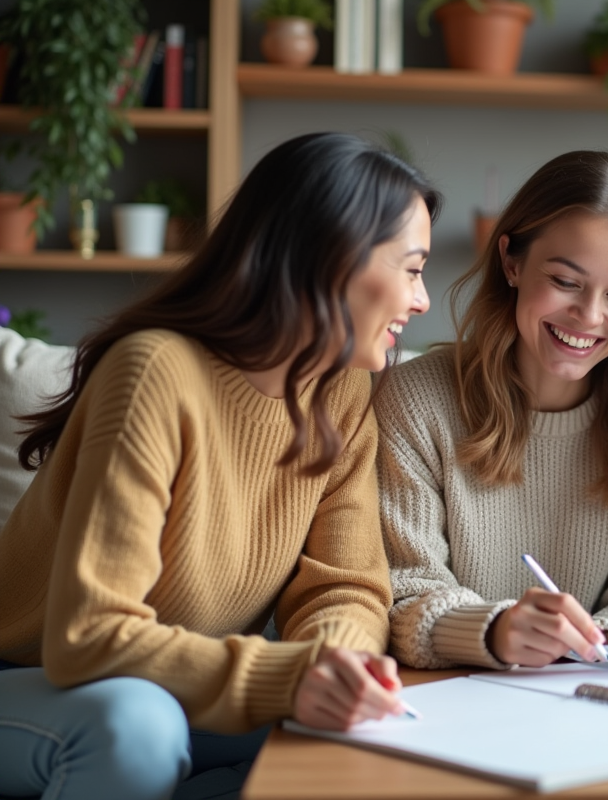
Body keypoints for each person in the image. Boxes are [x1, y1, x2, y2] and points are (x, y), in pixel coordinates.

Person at [0, 132, 440, 800]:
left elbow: (342, 586)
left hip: (175, 688)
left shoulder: (344, 392)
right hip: (36, 681)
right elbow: (88, 637)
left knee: (382, 733)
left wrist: (338, 668)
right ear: (332, 261)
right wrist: (290, 678)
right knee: (135, 728)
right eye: (411, 269)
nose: (422, 300)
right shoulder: (155, 371)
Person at [379, 150, 608, 670]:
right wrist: (496, 631)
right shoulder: (416, 401)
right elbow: (403, 595)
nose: (589, 316)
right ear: (511, 262)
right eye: (566, 282)